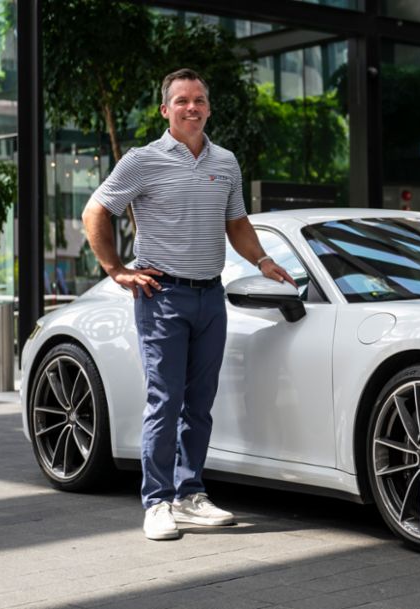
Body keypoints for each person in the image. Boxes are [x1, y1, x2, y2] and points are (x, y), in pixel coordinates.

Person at [82, 68, 294, 541]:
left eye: (199, 99)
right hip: (162, 296)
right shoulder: (143, 160)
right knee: (166, 400)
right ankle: (156, 502)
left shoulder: (227, 162)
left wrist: (261, 259)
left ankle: (190, 494)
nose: (192, 107)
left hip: (210, 296)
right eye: (182, 100)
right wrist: (117, 269)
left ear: (208, 107)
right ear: (166, 110)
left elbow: (236, 223)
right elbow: (96, 210)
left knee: (199, 404)